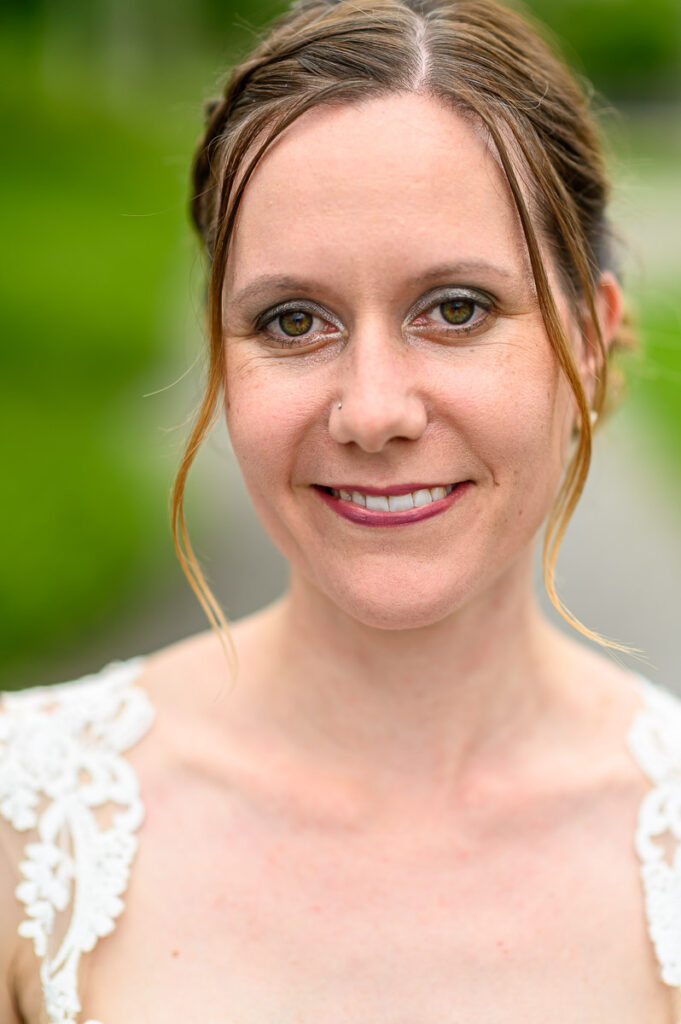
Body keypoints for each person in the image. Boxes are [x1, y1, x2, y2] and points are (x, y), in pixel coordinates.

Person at [1, 0, 680, 1021]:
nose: (371, 410)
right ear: (224, 356)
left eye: (456, 308)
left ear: (589, 337)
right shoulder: (28, 821)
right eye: (293, 319)